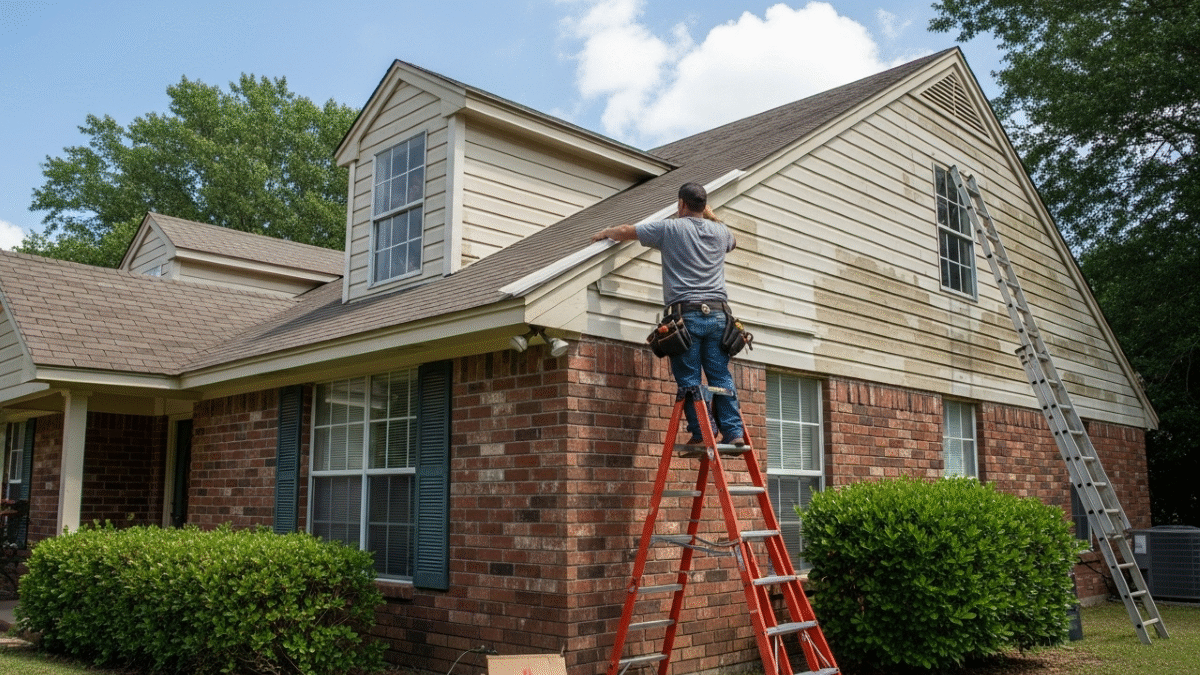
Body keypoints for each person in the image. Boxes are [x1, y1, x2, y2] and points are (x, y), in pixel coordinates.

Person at [591, 182, 744, 446]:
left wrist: (605, 231)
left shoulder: (669, 228)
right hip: (720, 317)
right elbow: (734, 242)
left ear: (681, 204)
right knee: (720, 376)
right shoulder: (721, 232)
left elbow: (627, 232)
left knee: (690, 380)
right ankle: (734, 432)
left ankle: (702, 433)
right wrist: (710, 217)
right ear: (704, 206)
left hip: (687, 317)